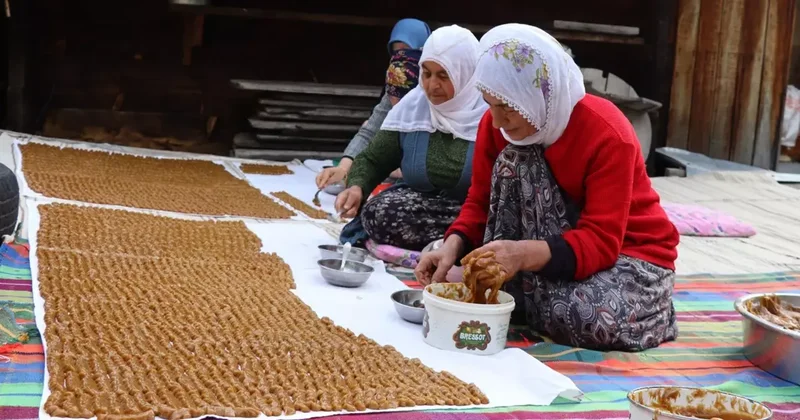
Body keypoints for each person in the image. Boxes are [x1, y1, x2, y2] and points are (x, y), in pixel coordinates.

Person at [415, 24, 680, 352]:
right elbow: (480, 202)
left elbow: (601, 241)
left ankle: (655, 312)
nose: (496, 121)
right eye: (489, 105)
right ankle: (525, 292)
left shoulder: (609, 134)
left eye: (507, 108)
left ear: (537, 96)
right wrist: (451, 247)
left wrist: (519, 255)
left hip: (629, 256)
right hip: (550, 257)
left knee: (582, 317)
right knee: (516, 160)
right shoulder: (497, 126)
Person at [335, 25, 488, 251]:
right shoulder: (414, 108)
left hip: (476, 214)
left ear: (466, 73)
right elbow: (374, 159)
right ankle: (451, 248)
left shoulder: (489, 116)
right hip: (425, 211)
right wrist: (357, 187)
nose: (432, 85)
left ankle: (459, 245)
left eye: (443, 75)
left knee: (496, 228)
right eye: (426, 74)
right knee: (378, 212)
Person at [316, 18, 431, 189]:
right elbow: (369, 132)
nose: (400, 58)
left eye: (407, 51)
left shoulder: (434, 94)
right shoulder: (395, 86)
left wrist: (395, 168)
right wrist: (343, 167)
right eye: (395, 52)